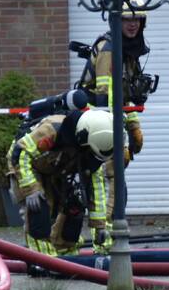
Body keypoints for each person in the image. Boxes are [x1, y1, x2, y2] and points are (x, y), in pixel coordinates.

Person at [77, 0, 153, 215]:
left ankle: (111, 229)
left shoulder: (128, 51)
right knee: (108, 177)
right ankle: (106, 234)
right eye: (127, 19)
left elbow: (123, 96)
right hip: (96, 119)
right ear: (116, 20)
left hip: (112, 117)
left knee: (116, 179)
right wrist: (118, 141)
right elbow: (104, 98)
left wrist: (134, 126)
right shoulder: (109, 49)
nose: (132, 24)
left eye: (137, 19)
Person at [6, 109, 114, 257]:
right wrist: (31, 189)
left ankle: (66, 253)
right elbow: (21, 154)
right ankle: (42, 259)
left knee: (74, 208)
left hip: (56, 169)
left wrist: (100, 227)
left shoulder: (92, 150)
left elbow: (97, 191)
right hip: (26, 165)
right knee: (39, 210)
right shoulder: (52, 130)